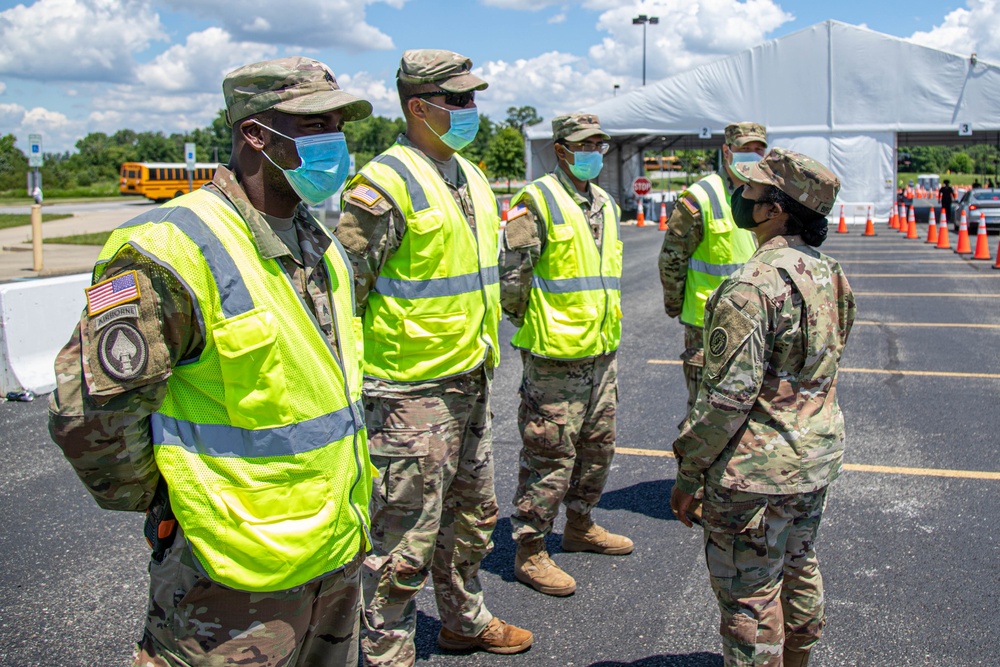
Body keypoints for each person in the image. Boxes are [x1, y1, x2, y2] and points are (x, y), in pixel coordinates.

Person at [48, 57, 375, 666]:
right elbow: (89, 419)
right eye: (315, 124)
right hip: (228, 575)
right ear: (255, 133)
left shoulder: (321, 245)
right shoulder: (169, 248)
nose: (336, 142)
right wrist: (172, 503)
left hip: (334, 554)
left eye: (339, 125)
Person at [333, 49, 532, 665]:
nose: (474, 110)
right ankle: (387, 649)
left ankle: (463, 620)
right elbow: (346, 296)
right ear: (419, 107)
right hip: (407, 394)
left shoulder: (468, 174)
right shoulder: (382, 185)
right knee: (403, 537)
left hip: (470, 375)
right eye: (461, 100)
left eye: (475, 98)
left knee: (473, 516)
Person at [670, 148, 855, 667]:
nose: (741, 196)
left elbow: (728, 398)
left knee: (751, 595)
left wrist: (688, 472)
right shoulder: (831, 272)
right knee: (799, 568)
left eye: (751, 191)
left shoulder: (751, 284)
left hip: (753, 474)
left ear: (775, 210)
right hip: (813, 459)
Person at [499, 113, 630, 598]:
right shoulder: (536, 201)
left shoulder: (606, 204)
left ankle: (580, 525)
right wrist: (536, 325)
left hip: (601, 350)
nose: (594, 150)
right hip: (555, 357)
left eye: (600, 142)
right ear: (560, 150)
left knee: (597, 448)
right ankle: (530, 549)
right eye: (584, 143)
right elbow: (513, 280)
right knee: (549, 454)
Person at [658, 123, 762, 416]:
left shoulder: (767, 194)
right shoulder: (700, 196)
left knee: (748, 413)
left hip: (754, 322)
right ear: (727, 151)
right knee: (705, 414)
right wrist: (675, 307)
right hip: (707, 324)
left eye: (758, 149)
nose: (752, 155)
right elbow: (671, 260)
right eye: (745, 149)